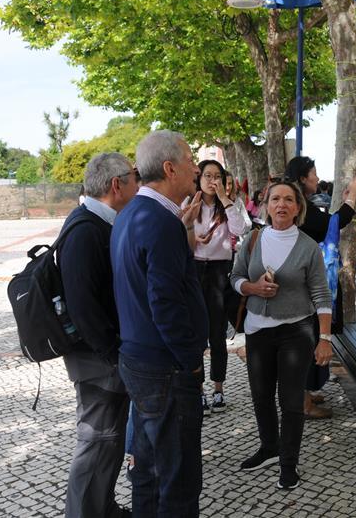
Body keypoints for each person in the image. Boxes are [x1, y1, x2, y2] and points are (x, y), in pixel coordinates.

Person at [111, 130, 208, 516]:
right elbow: (165, 304)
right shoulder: (160, 222)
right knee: (178, 480)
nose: (196, 168)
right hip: (165, 368)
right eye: (190, 160)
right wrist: (191, 361)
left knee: (148, 473)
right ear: (170, 168)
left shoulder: (130, 214)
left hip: (140, 360)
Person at [230, 179, 333, 490]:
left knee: (290, 400)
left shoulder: (308, 247)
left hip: (295, 332)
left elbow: (321, 294)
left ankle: (289, 462)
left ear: (298, 207)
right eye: (275, 199)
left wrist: (325, 339)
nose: (281, 205)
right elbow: (235, 277)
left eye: (289, 199)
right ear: (266, 205)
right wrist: (253, 287)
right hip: (257, 331)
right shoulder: (253, 239)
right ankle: (269, 448)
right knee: (261, 395)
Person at [60, 153, 139, 518]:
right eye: (134, 178)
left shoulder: (98, 223)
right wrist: (112, 355)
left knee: (109, 440)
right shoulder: (86, 229)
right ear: (116, 185)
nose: (139, 185)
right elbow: (83, 306)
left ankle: (102, 508)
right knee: (97, 440)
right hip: (97, 359)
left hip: (103, 355)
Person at [284, 156, 356, 420]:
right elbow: (331, 224)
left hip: (303, 279)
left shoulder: (302, 205)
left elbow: (326, 222)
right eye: (314, 174)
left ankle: (304, 393)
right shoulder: (300, 207)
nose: (317, 178)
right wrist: (352, 196)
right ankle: (304, 402)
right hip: (305, 285)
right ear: (303, 178)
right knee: (308, 338)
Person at [192, 160, 251, 415]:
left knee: (217, 334)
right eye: (207, 175)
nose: (212, 180)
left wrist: (225, 199)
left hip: (219, 270)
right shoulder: (190, 202)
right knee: (196, 335)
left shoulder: (229, 205)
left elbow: (242, 228)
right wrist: (192, 237)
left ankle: (218, 388)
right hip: (194, 269)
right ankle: (198, 390)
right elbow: (176, 229)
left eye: (217, 176)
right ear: (199, 178)